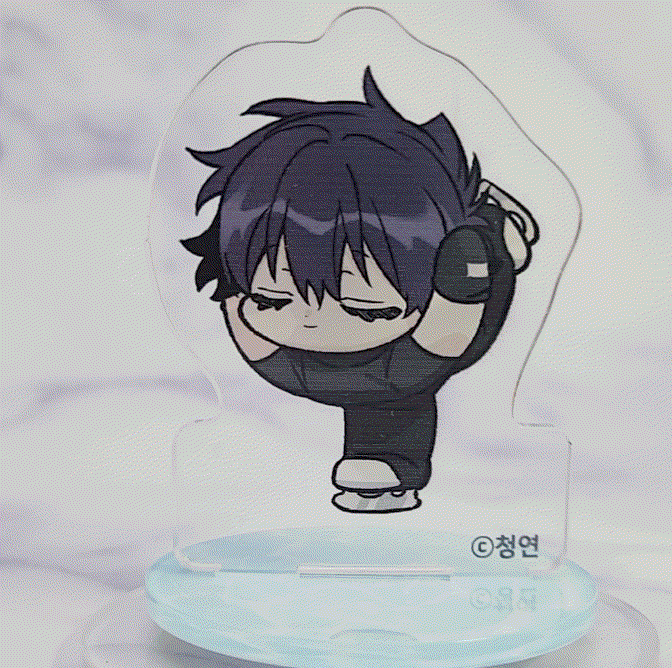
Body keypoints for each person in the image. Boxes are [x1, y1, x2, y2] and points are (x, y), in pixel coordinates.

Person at [182, 67, 538, 512]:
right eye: (272, 300)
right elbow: (240, 307)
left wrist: (468, 272)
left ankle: (498, 225)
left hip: (454, 304)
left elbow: (450, 334)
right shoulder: (258, 316)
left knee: (476, 264)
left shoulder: (450, 284)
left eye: (366, 308)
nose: (312, 320)